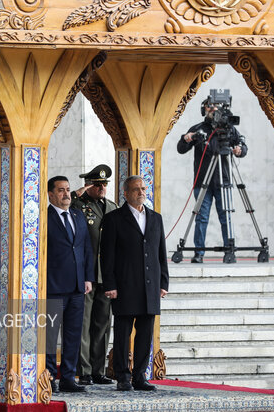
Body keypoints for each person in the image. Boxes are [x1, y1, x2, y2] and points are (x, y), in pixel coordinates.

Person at [100, 176, 169, 391]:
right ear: (125, 193)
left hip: (150, 286)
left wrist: (163, 282)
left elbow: (161, 253)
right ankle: (122, 376)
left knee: (145, 333)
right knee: (122, 333)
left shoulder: (155, 218)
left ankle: (140, 375)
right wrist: (109, 284)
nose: (141, 192)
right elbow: (107, 256)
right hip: (124, 285)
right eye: (136, 189)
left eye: (143, 188)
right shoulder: (114, 219)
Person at [177, 95, 247, 263]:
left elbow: (243, 147)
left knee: (226, 216)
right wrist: (187, 138)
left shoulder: (229, 129)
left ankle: (229, 251)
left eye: (216, 107)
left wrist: (239, 150)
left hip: (224, 181)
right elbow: (181, 148)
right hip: (202, 182)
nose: (213, 110)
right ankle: (198, 253)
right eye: (209, 106)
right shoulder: (199, 128)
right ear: (204, 109)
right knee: (201, 217)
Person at [70, 164, 118, 386]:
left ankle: (99, 370)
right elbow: (65, 205)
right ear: (89, 185)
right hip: (86, 274)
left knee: (102, 324)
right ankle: (85, 370)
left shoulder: (112, 207)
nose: (102, 188)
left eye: (104, 184)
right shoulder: (79, 205)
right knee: (83, 322)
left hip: (106, 275)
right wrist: (77, 192)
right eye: (97, 184)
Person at [46, 176, 94, 393]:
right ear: (51, 194)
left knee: (73, 335)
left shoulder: (77, 214)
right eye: (61, 190)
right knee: (49, 337)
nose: (66, 194)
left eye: (67, 189)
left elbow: (86, 248)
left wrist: (88, 277)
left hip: (77, 286)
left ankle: (67, 378)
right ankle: (47, 378)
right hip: (52, 287)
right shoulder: (44, 218)